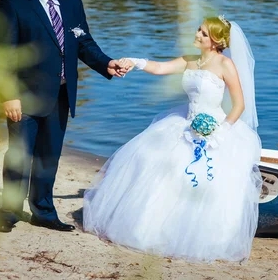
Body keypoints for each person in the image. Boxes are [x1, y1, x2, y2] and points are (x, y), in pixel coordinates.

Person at [83, 16, 262, 262]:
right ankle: (150, 230)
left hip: (216, 129)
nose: (197, 34)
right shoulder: (191, 60)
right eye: (199, 29)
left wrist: (222, 131)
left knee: (209, 182)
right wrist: (135, 61)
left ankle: (206, 237)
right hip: (185, 123)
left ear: (216, 41)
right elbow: (160, 68)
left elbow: (239, 105)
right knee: (155, 164)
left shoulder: (225, 64)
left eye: (204, 33)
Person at [0, 0, 129, 233]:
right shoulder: (13, 4)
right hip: (24, 97)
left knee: (49, 156)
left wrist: (107, 63)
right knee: (19, 154)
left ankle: (43, 211)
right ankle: (10, 210)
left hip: (61, 97)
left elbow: (85, 44)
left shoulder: (72, 5)